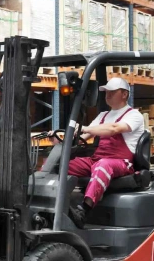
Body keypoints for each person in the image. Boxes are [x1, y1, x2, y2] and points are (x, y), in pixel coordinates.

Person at [49, 77, 144, 228]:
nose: (108, 94)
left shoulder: (133, 115)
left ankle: (84, 211)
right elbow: (81, 138)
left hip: (122, 163)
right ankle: (53, 204)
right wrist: (59, 138)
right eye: (106, 91)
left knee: (102, 165)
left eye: (112, 92)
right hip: (98, 159)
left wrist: (84, 128)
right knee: (62, 164)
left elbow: (114, 129)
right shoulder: (102, 116)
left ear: (125, 94)